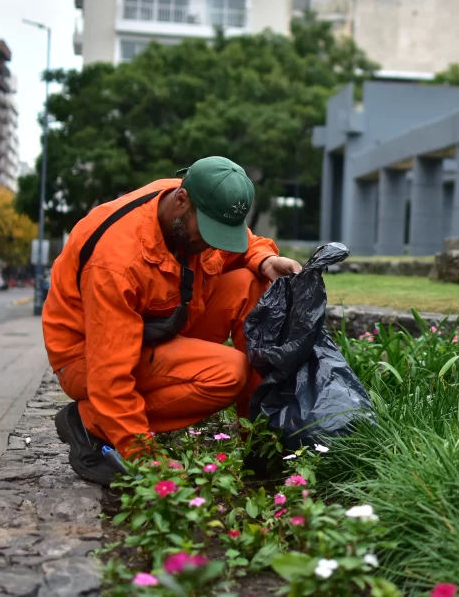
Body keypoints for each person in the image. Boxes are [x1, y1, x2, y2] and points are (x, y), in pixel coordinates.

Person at [42, 157, 302, 484]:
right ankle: (90, 422)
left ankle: (258, 437)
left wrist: (265, 260)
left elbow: (245, 244)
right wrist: (144, 457)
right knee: (228, 373)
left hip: (160, 323)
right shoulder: (116, 265)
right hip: (86, 355)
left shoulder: (194, 206)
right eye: (208, 232)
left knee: (252, 283)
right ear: (181, 200)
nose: (213, 243)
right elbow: (109, 374)